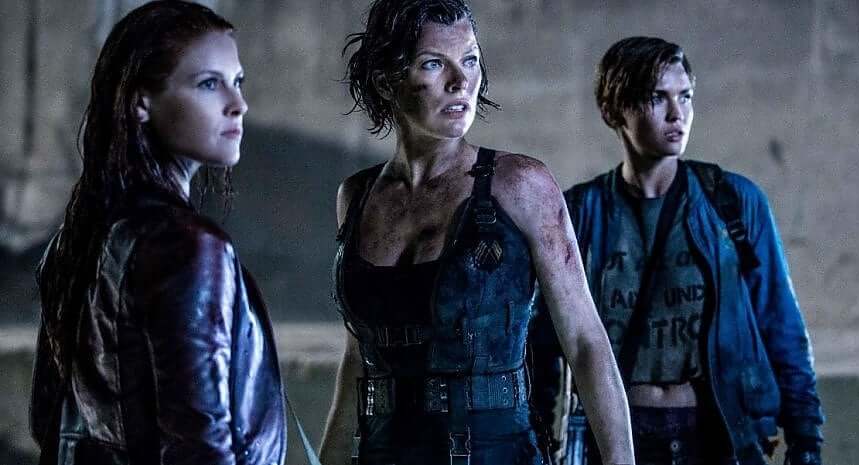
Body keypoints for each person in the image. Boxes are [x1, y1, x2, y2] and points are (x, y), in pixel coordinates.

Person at [317, 1, 635, 464]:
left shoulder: (521, 184)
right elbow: (357, 357)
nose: (460, 81)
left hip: (496, 451)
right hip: (385, 452)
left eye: (469, 59)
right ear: (387, 79)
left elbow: (586, 342)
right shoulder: (357, 196)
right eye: (433, 63)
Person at [530, 37, 825, 465]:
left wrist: (806, 439)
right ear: (614, 110)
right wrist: (539, 443)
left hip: (715, 435)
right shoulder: (578, 214)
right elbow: (543, 345)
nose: (677, 114)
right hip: (617, 438)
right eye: (657, 98)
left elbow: (780, 326)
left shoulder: (733, 203)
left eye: (685, 96)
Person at [29, 2, 286, 464]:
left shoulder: (75, 240)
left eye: (238, 81)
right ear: (141, 102)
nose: (238, 104)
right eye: (209, 83)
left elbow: (47, 421)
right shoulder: (188, 246)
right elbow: (201, 448)